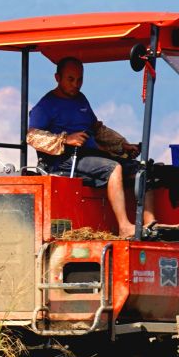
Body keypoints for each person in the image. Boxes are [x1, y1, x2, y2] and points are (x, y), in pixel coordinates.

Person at [27, 56, 152, 238]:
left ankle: (149, 224)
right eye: (70, 79)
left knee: (141, 170)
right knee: (113, 169)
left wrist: (122, 145)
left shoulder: (80, 99)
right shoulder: (46, 106)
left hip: (90, 155)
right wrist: (65, 139)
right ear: (57, 78)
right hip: (63, 161)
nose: (76, 84)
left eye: (80, 80)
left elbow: (96, 129)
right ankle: (124, 227)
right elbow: (32, 137)